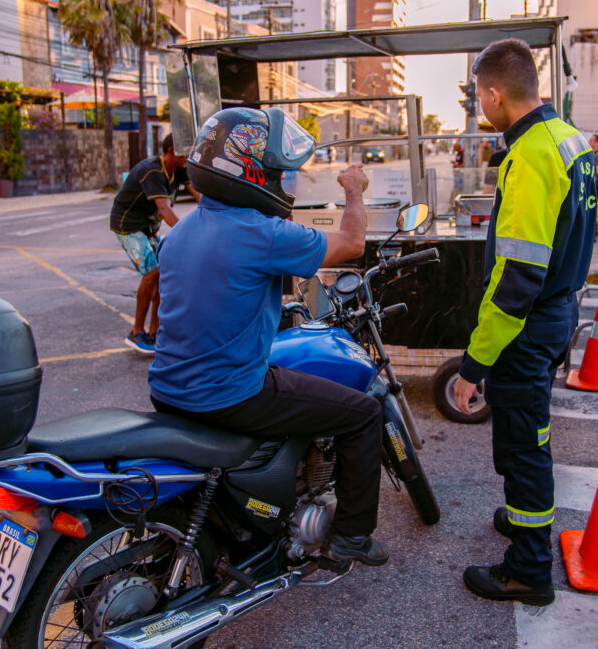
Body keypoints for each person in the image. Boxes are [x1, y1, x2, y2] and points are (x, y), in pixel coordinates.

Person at [149, 106, 389, 567]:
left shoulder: (179, 233)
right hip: (229, 395)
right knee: (362, 413)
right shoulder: (263, 233)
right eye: (282, 175)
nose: (286, 185)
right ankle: (351, 537)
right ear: (254, 173)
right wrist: (354, 190)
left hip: (168, 390)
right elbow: (352, 244)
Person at [452, 39, 598, 605]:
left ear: (493, 93)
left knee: (522, 447)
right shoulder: (568, 139)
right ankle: (524, 521)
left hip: (527, 325)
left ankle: (529, 570)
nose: (478, 106)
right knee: (530, 435)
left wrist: (474, 364)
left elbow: (516, 277)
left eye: (477, 97)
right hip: (560, 312)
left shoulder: (531, 154)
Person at [110, 133, 190, 354]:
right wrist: (190, 233)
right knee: (152, 271)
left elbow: (199, 193)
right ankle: (136, 332)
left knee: (164, 270)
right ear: (172, 150)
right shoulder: (153, 170)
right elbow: (164, 209)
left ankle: (155, 331)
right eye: (186, 150)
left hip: (147, 228)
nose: (189, 155)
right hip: (128, 226)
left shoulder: (179, 168)